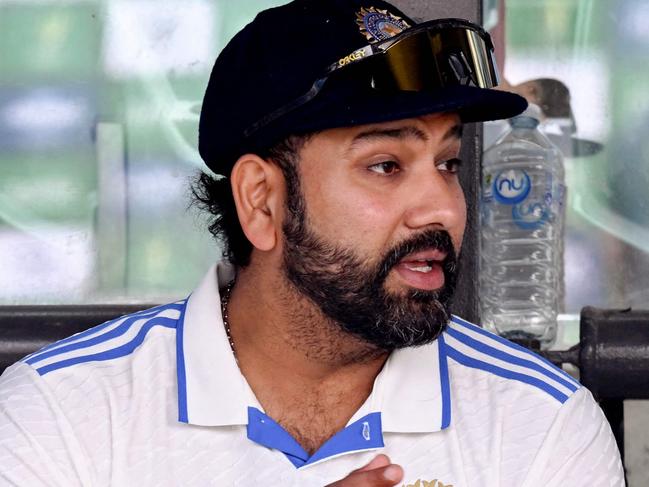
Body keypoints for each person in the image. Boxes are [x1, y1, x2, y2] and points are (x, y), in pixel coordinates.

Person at [0, 1, 624, 486]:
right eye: (385, 165)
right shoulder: (62, 413)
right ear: (261, 200)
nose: (441, 207)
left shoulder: (540, 422)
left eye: (448, 163)